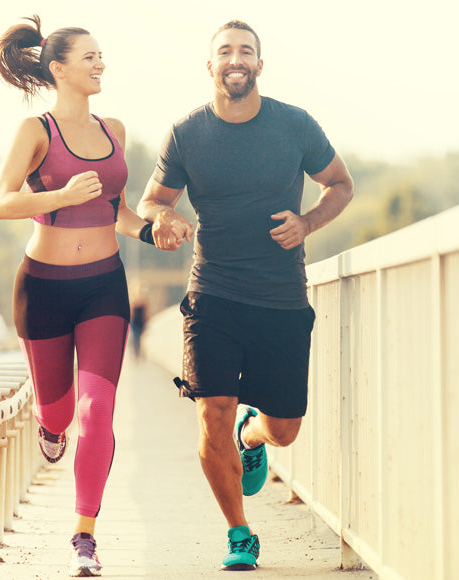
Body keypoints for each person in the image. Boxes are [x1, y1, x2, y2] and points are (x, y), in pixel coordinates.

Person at [137, 20, 354, 571]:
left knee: (284, 429)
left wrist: (307, 222)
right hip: (212, 293)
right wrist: (165, 216)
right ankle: (239, 531)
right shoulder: (187, 133)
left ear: (260, 64)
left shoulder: (295, 125)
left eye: (246, 52)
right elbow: (149, 201)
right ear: (210, 66)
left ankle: (252, 437)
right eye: (225, 52)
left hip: (281, 296)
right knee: (212, 411)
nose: (236, 60)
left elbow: (341, 184)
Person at [0, 15, 157, 577]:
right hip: (43, 288)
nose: (100, 64)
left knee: (98, 409)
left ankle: (84, 536)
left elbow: (118, 211)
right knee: (60, 413)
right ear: (58, 68)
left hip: (104, 287)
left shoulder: (116, 130)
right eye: (89, 57)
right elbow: (2, 203)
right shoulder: (35, 132)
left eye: (101, 55)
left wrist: (154, 230)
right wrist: (58, 194)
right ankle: (49, 426)